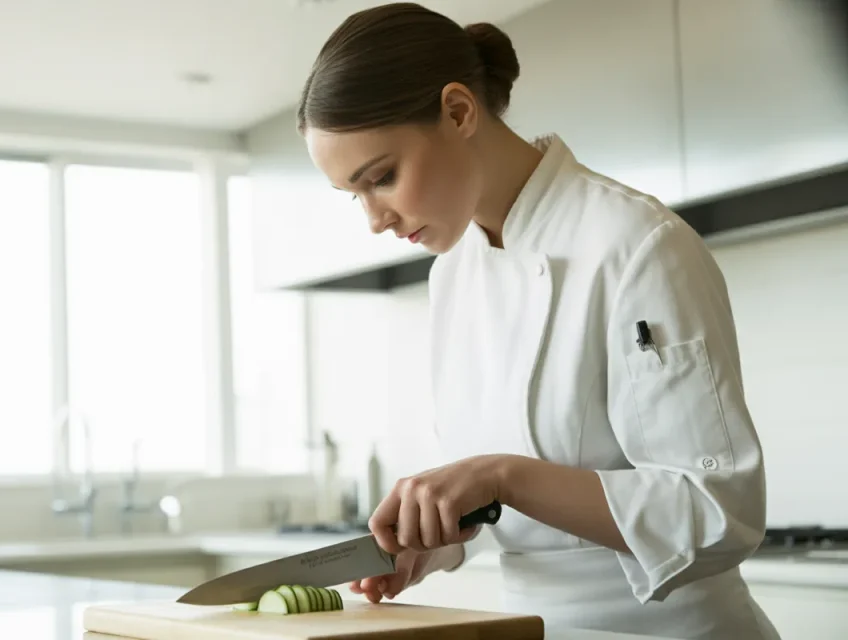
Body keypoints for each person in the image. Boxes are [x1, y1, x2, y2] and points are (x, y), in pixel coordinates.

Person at [295, 3, 781, 639]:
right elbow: (502, 499)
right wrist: (433, 543)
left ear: (459, 112)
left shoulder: (637, 244)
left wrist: (503, 476)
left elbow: (718, 512)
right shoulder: (452, 273)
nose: (374, 219)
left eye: (381, 177)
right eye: (354, 195)